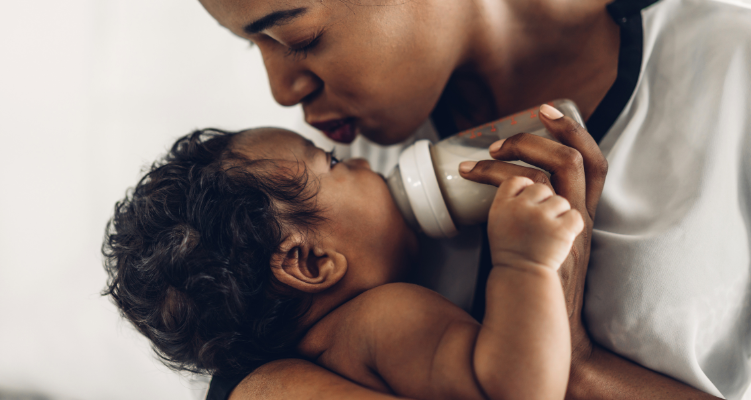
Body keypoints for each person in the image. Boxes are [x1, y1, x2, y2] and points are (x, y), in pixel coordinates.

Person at [194, 0, 751, 398]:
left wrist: (576, 367)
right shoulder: (344, 168)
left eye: (298, 37)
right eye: (253, 44)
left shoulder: (732, 71)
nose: (281, 92)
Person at [102, 118, 585, 400]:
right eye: (331, 163)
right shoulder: (381, 320)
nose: (358, 160)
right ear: (310, 262)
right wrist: (525, 263)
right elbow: (515, 391)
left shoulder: (319, 357)